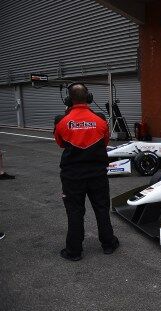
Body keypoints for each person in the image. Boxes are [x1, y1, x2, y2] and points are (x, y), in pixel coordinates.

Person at [54, 83, 119, 261]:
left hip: (72, 176)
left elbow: (60, 143)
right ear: (88, 97)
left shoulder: (61, 121)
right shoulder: (100, 119)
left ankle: (74, 251)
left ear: (69, 100)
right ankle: (108, 244)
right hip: (97, 174)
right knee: (102, 209)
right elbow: (104, 143)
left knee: (75, 212)